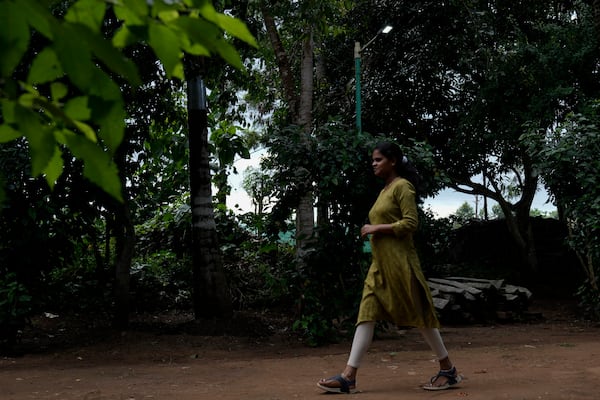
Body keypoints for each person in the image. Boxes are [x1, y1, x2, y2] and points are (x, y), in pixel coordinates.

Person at [316, 141, 462, 393]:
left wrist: (376, 228)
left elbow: (410, 223)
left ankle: (448, 370)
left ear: (392, 161)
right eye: (372, 160)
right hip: (380, 266)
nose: (373, 164)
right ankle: (348, 376)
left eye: (378, 159)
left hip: (401, 264)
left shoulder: (403, 187)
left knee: (421, 315)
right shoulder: (385, 191)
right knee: (367, 313)